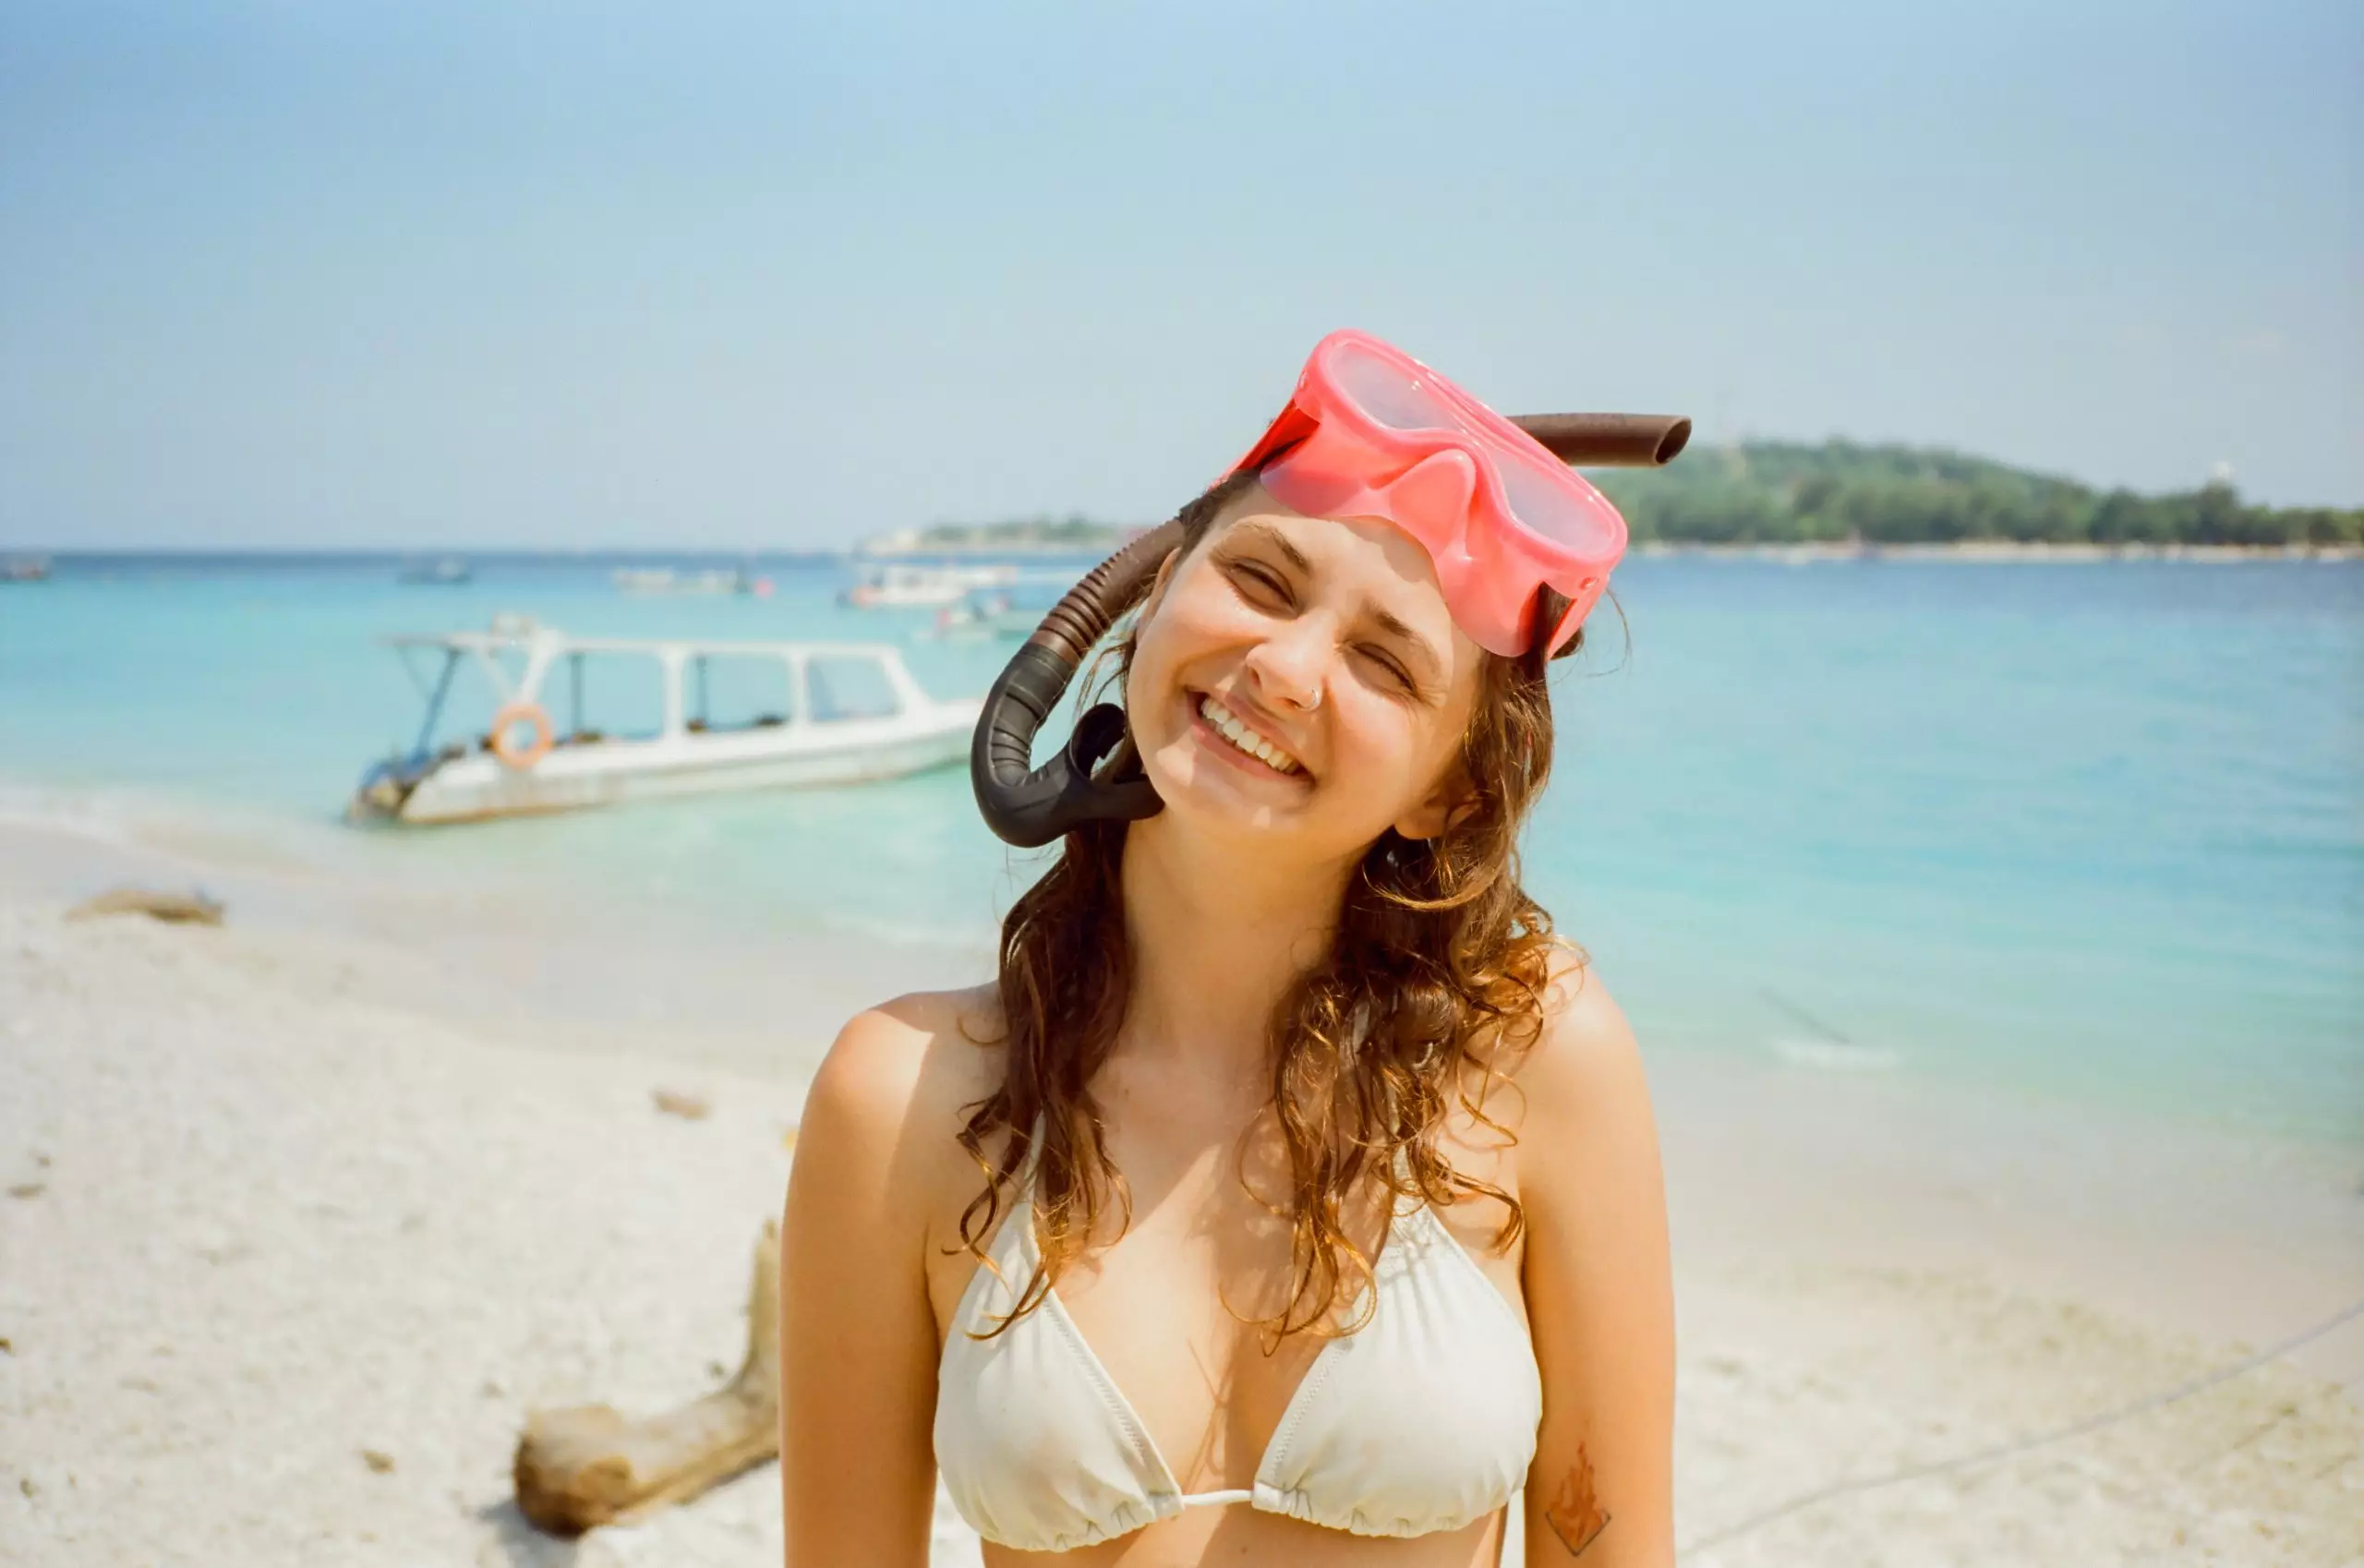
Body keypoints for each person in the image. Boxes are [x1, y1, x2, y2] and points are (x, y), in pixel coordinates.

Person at [781, 331, 1676, 1566]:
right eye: (1260, 579)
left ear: (1448, 796)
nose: (1285, 666)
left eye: (1382, 660)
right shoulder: (899, 1095)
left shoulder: (1537, 1062)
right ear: (1154, 605)